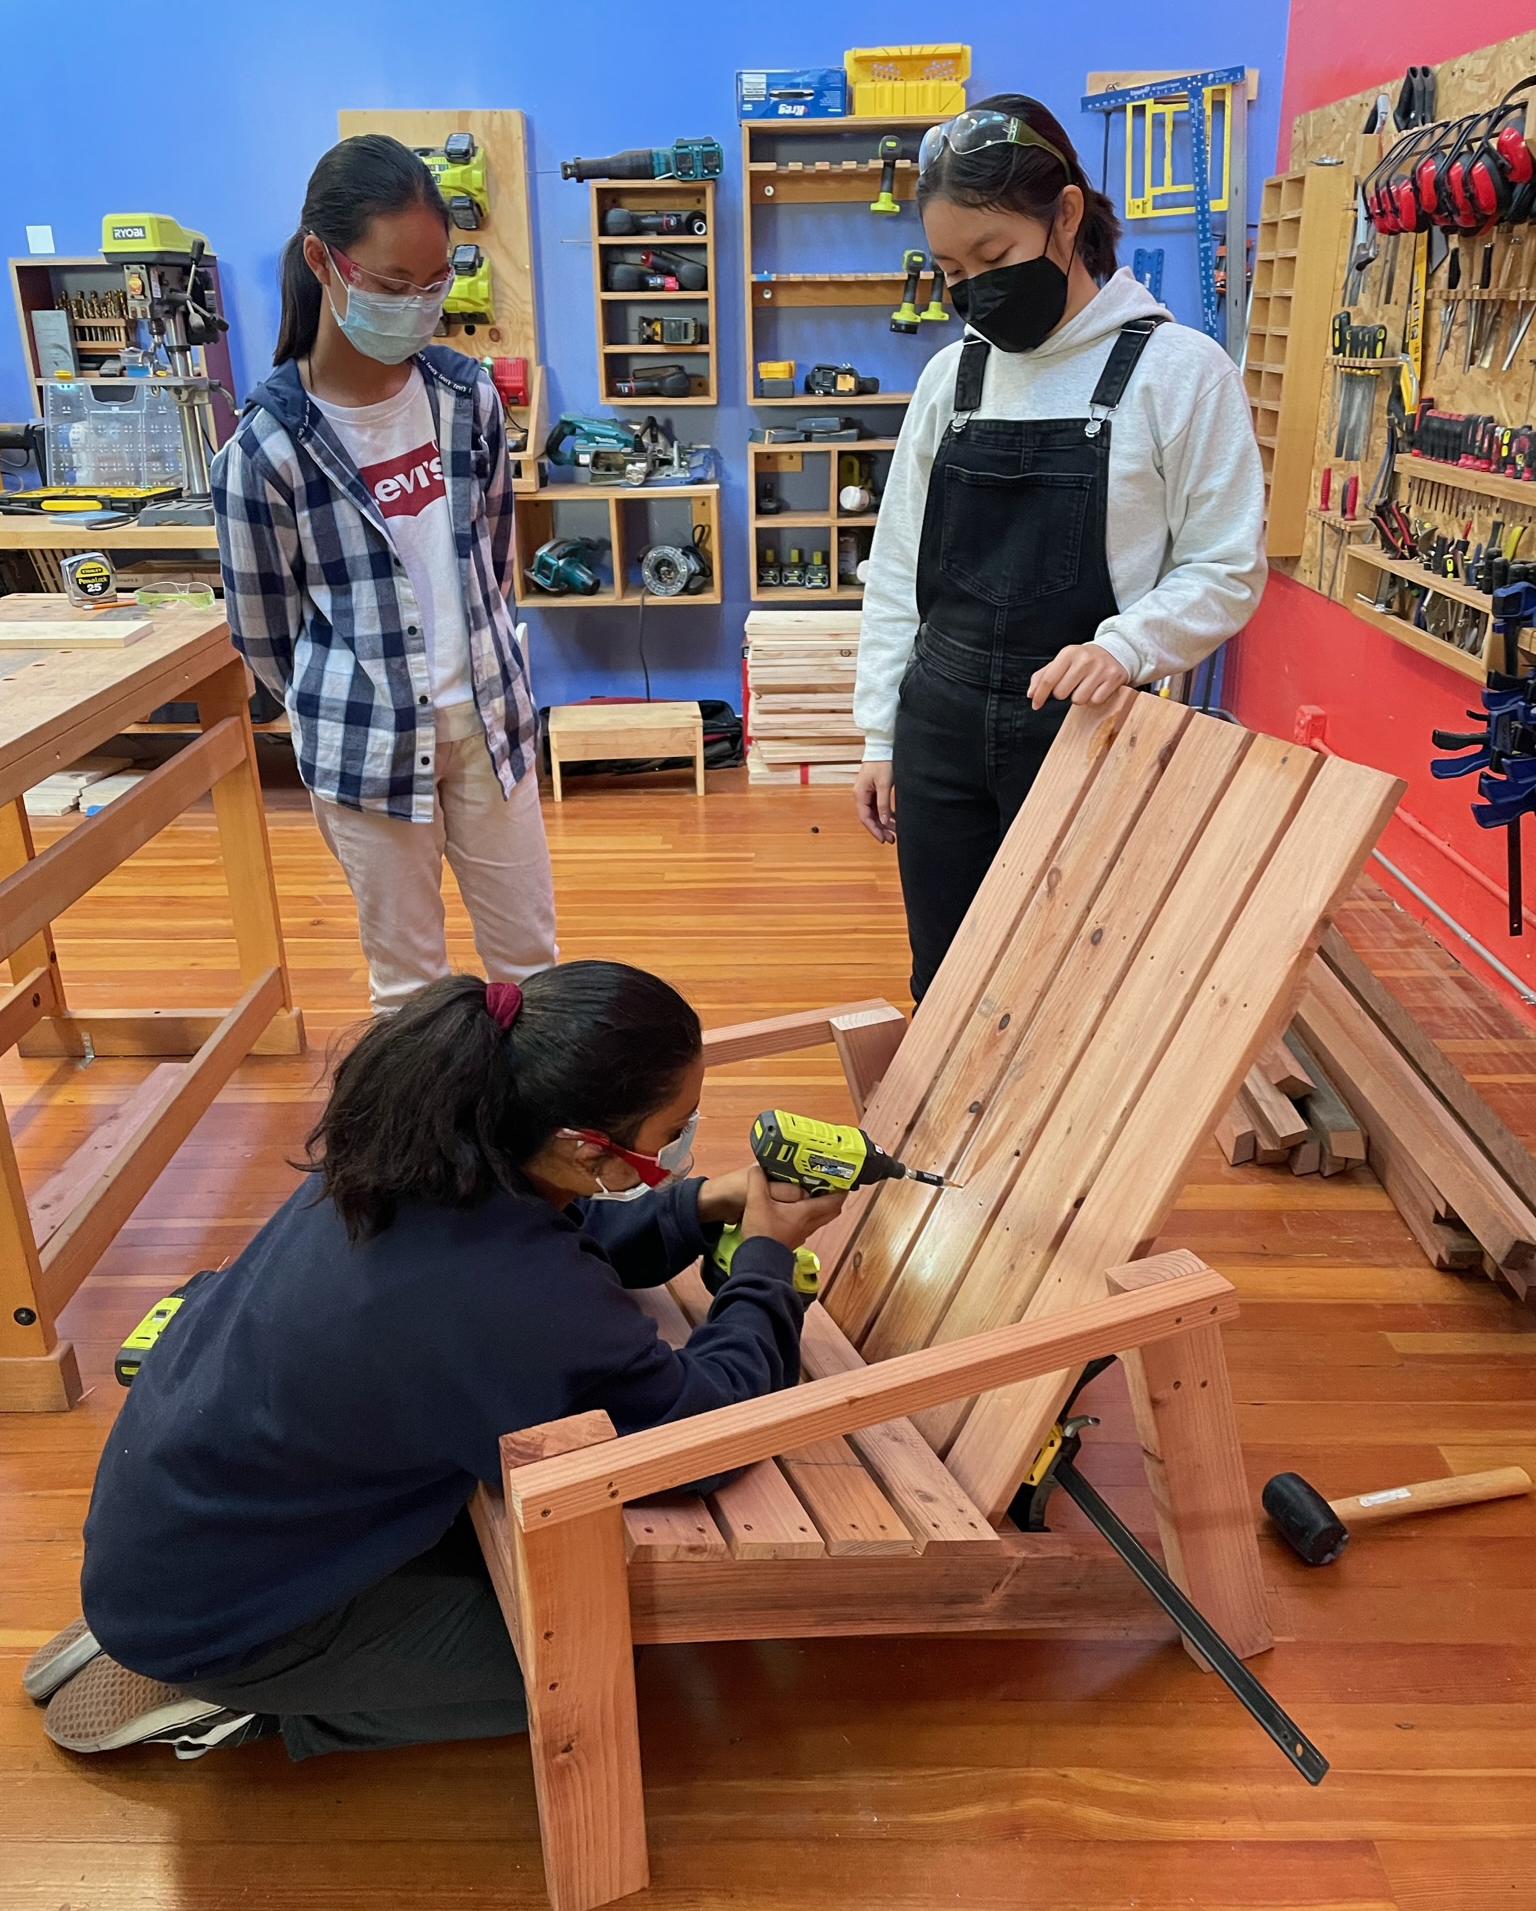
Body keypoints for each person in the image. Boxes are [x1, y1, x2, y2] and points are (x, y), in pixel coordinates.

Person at [31, 962, 843, 1762]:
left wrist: (701, 1202)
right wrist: (767, 1261)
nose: (679, 1146)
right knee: (588, 1669)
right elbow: (700, 1431)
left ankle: (180, 1635)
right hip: (214, 1612)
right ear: (581, 1144)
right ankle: (238, 1699)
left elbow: (570, 1237)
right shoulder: (505, 1296)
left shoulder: (406, 1151)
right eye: (672, 1132)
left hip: (180, 1520)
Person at [852, 95, 1266, 1002]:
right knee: (948, 986)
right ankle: (944, 1150)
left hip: (1083, 733)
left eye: (993, 258)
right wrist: (881, 731)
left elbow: (1226, 564)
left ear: (1067, 215)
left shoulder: (1179, 372)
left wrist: (1126, 645)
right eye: (951, 269)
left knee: (1071, 992)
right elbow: (895, 571)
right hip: (940, 729)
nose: (972, 291)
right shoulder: (950, 376)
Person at [213, 135, 557, 1014]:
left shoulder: (463, 396)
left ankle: (539, 1146)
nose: (418, 308)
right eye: (393, 287)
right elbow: (264, 636)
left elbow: (490, 550)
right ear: (324, 262)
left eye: (434, 285)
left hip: (488, 716)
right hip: (366, 745)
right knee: (411, 992)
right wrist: (350, 700)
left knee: (532, 965)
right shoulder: (266, 448)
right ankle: (430, 1152)